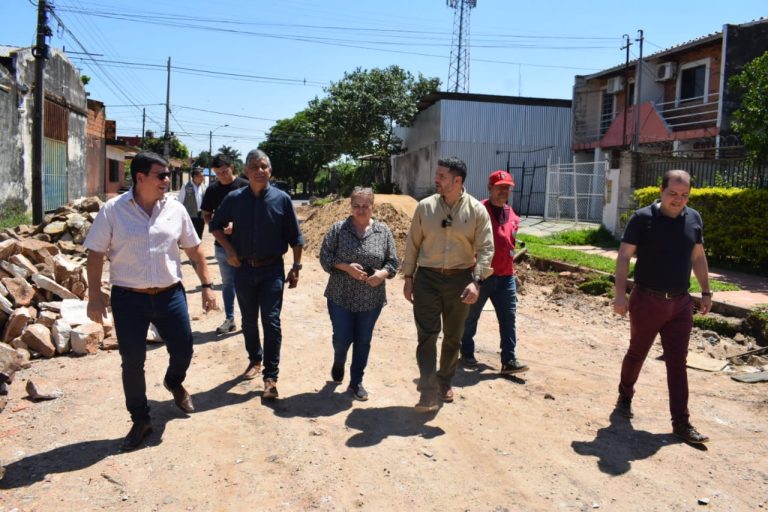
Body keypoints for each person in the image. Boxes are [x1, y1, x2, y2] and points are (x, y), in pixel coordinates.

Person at [85, 151, 217, 451]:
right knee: (132, 362)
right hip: (128, 299)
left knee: (184, 348)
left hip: (170, 295)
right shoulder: (113, 211)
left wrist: (207, 286)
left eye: (168, 174)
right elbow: (94, 253)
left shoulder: (175, 209)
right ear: (140, 177)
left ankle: (173, 382)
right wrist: (94, 295)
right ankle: (140, 419)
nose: (167, 180)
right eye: (161, 175)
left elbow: (194, 250)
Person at [613, 169, 713, 445]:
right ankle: (625, 394)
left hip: (681, 303)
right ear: (661, 190)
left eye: (684, 195)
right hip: (647, 300)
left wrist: (705, 291)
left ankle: (681, 422)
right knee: (637, 354)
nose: (678, 200)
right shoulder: (643, 218)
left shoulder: (694, 219)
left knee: (677, 362)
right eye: (673, 194)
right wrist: (620, 295)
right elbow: (624, 257)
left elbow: (698, 256)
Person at [209, 149, 303, 399]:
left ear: (270, 171)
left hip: (272, 269)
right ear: (246, 172)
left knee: (271, 321)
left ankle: (271, 377)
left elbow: (296, 237)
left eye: (264, 166)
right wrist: (228, 249)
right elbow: (214, 226)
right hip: (243, 270)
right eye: (254, 167)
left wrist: (296, 267)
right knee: (249, 320)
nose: (259, 171)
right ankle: (255, 359)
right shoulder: (235, 198)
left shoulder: (282, 199)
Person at [403, 156, 494, 412]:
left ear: (457, 180)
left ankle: (444, 381)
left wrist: (477, 282)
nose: (436, 180)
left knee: (453, 337)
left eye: (442, 176)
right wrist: (408, 277)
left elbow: (486, 248)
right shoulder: (425, 207)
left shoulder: (476, 210)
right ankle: (427, 391)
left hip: (461, 280)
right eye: (437, 175)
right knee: (427, 336)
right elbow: (412, 244)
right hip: (427, 279)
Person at [319, 187, 400, 401]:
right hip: (340, 295)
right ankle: (339, 359)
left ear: (373, 206)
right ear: (351, 206)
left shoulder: (383, 232)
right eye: (357, 206)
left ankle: (356, 383)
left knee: (363, 340)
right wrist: (346, 267)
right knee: (342, 339)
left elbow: (393, 262)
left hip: (371, 298)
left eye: (365, 206)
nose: (361, 210)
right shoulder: (338, 229)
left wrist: (382, 274)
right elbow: (325, 256)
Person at [460, 170, 529, 374]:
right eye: (499, 187)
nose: (503, 191)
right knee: (471, 316)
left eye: (507, 188)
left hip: (506, 275)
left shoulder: (512, 214)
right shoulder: (478, 211)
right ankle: (466, 351)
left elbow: (510, 242)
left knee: (508, 317)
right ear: (490, 188)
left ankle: (509, 360)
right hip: (482, 275)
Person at [201, 154, 249, 335]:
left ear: (232, 167)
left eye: (224, 171)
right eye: (218, 174)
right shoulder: (212, 190)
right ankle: (230, 319)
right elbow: (206, 214)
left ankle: (248, 319)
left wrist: (237, 225)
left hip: (245, 246)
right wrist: (215, 225)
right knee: (228, 283)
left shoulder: (245, 186)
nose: (222, 176)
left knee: (246, 284)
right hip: (221, 246)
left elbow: (256, 214)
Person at [177, 167, 206, 239]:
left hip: (201, 215)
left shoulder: (204, 187)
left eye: (203, 176)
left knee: (199, 235)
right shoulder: (186, 186)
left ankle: (197, 248)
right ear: (195, 177)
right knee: (190, 236)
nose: (203, 178)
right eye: (201, 176)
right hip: (190, 215)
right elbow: (180, 201)